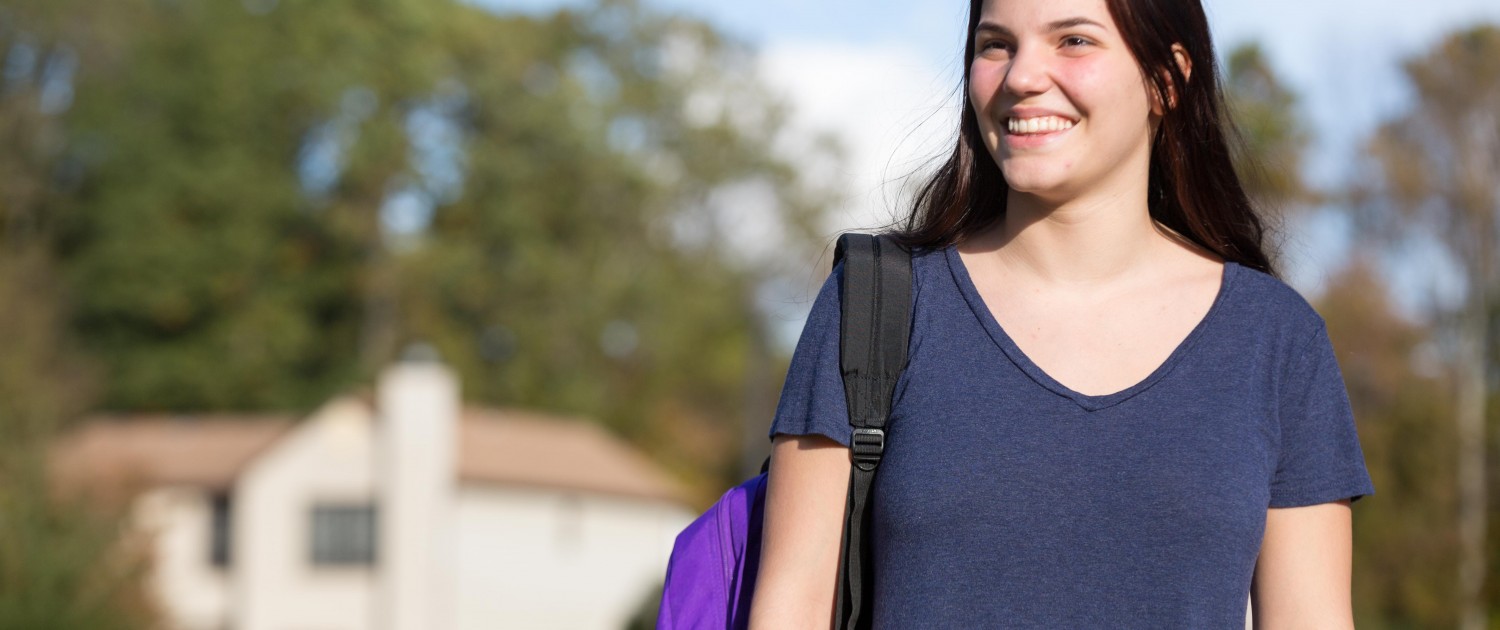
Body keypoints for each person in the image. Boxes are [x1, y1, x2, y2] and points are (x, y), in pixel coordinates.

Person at [748, 0, 1375, 627]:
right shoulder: (875, 306)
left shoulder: (1277, 340)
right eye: (996, 44)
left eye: (1073, 40)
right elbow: (790, 606)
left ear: (1167, 79)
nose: (1021, 76)